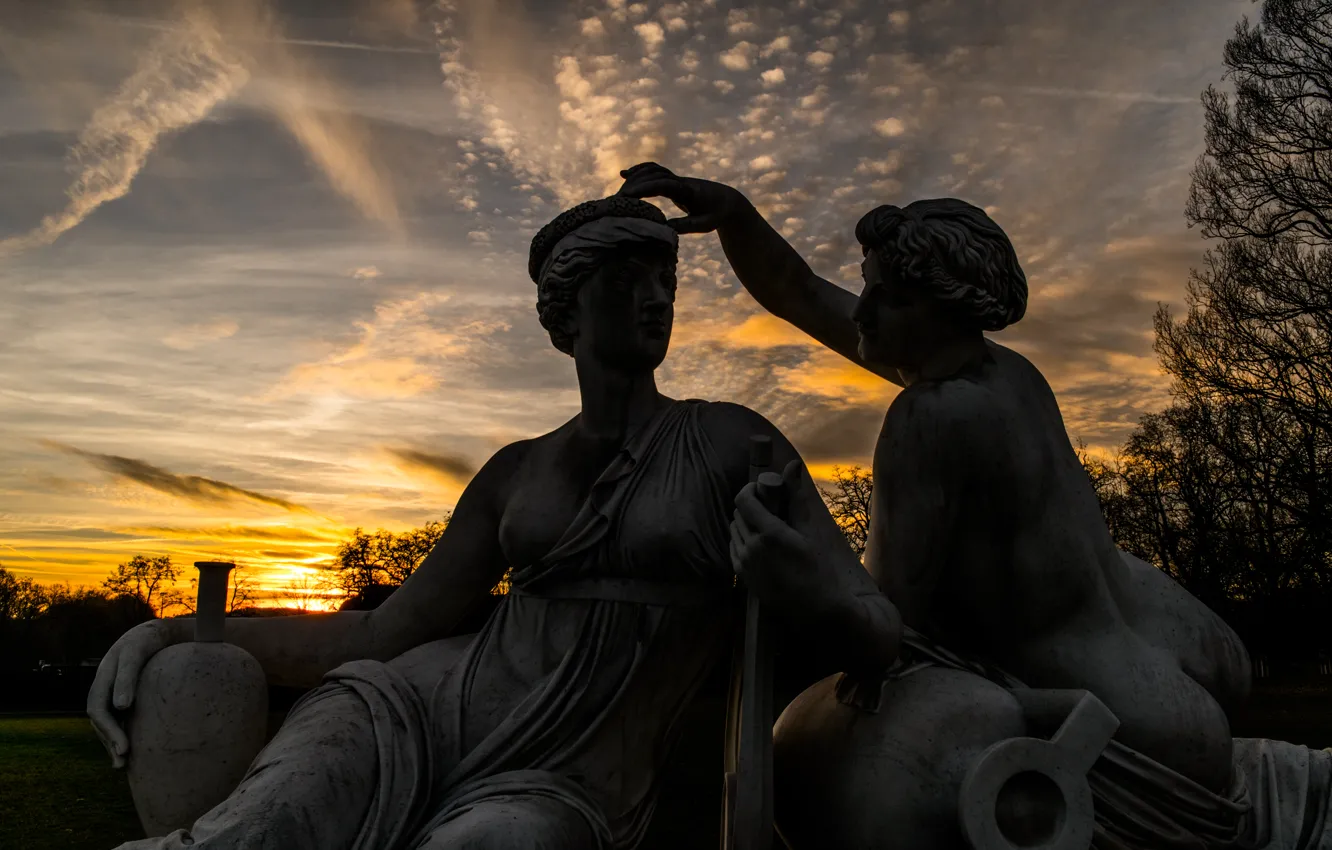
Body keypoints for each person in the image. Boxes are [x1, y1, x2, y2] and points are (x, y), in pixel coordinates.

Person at [88, 195, 899, 850]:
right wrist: (182, 632)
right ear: (566, 313)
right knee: (262, 829)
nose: (657, 299)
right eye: (627, 281)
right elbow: (380, 636)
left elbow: (876, 633)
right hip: (412, 712)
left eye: (666, 281)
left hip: (576, 780)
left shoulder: (733, 440)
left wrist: (802, 588)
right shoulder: (516, 468)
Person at [618, 163, 1331, 849]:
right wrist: (736, 217)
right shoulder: (1006, 373)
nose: (863, 309)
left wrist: (796, 560)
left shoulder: (930, 420)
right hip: (1177, 663)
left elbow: (886, 631)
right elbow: (803, 293)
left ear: (943, 309)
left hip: (1125, 726)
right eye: (870, 288)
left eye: (887, 297)